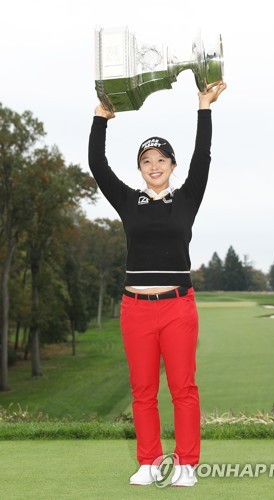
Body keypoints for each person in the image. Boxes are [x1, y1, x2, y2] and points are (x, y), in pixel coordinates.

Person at [88, 80, 227, 487]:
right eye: (146, 160)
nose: (154, 166)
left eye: (161, 159)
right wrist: (101, 117)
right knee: (143, 389)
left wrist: (204, 106)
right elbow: (98, 164)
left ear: (172, 165)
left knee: (183, 388)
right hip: (135, 308)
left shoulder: (186, 198)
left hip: (178, 306)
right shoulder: (128, 201)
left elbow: (203, 155)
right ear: (140, 168)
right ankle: (148, 462)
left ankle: (186, 464)